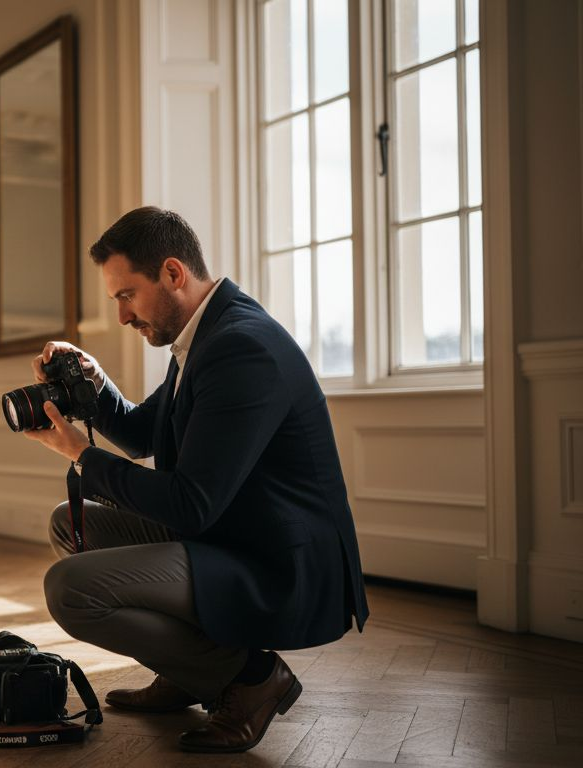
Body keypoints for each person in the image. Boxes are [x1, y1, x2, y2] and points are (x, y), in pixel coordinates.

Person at [22, 206, 368, 753]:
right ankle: (186, 670)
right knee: (72, 523)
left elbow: (190, 506)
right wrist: (95, 380)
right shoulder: (204, 334)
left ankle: (250, 678)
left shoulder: (239, 346)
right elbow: (143, 434)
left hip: (276, 561)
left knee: (71, 591)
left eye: (125, 295)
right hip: (232, 532)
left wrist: (81, 455)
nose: (121, 316)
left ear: (173, 273)